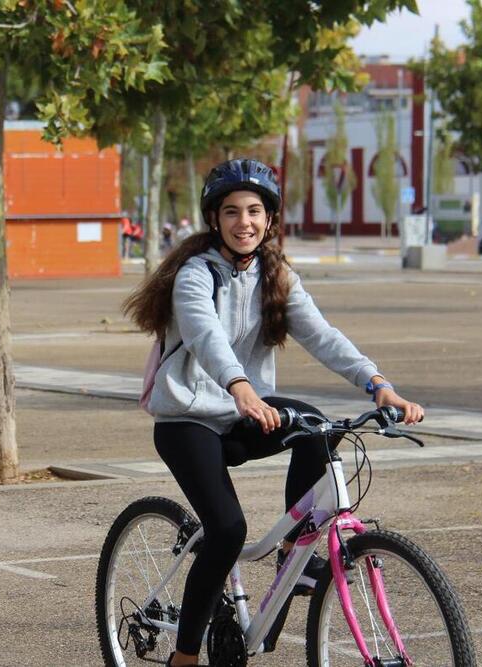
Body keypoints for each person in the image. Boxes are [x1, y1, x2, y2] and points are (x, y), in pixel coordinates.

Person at [123, 158, 423, 667]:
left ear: (270, 218)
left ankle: (294, 553)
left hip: (247, 414)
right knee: (228, 530)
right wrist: (240, 386)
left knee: (316, 429)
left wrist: (378, 385)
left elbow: (323, 336)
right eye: (233, 211)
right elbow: (205, 336)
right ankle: (186, 655)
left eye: (255, 211)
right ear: (214, 219)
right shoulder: (195, 275)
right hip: (188, 419)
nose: (245, 222)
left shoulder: (275, 274)